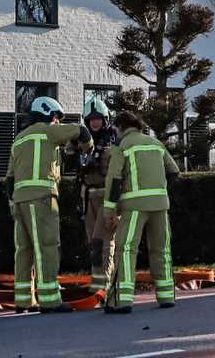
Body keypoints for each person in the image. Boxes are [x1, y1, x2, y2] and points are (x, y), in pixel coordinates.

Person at [7, 96, 93, 313]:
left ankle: (24, 300)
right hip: (42, 199)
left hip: (19, 201)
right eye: (56, 117)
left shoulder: (19, 139)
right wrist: (88, 148)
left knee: (23, 250)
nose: (57, 122)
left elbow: (9, 178)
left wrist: (13, 201)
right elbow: (81, 131)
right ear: (49, 114)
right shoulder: (48, 130)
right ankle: (50, 300)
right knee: (47, 247)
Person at [103, 109, 181, 314]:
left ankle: (122, 300)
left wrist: (109, 210)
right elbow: (174, 171)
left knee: (127, 249)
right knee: (161, 249)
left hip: (134, 207)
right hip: (160, 206)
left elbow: (114, 180)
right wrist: (160, 191)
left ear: (120, 128)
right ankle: (166, 296)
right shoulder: (156, 143)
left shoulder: (123, 146)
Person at [79, 95, 121, 296]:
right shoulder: (83, 142)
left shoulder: (115, 141)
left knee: (104, 242)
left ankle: (105, 287)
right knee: (92, 242)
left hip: (107, 196)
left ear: (105, 120)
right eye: (91, 120)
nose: (94, 123)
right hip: (88, 196)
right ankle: (97, 285)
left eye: (98, 119)